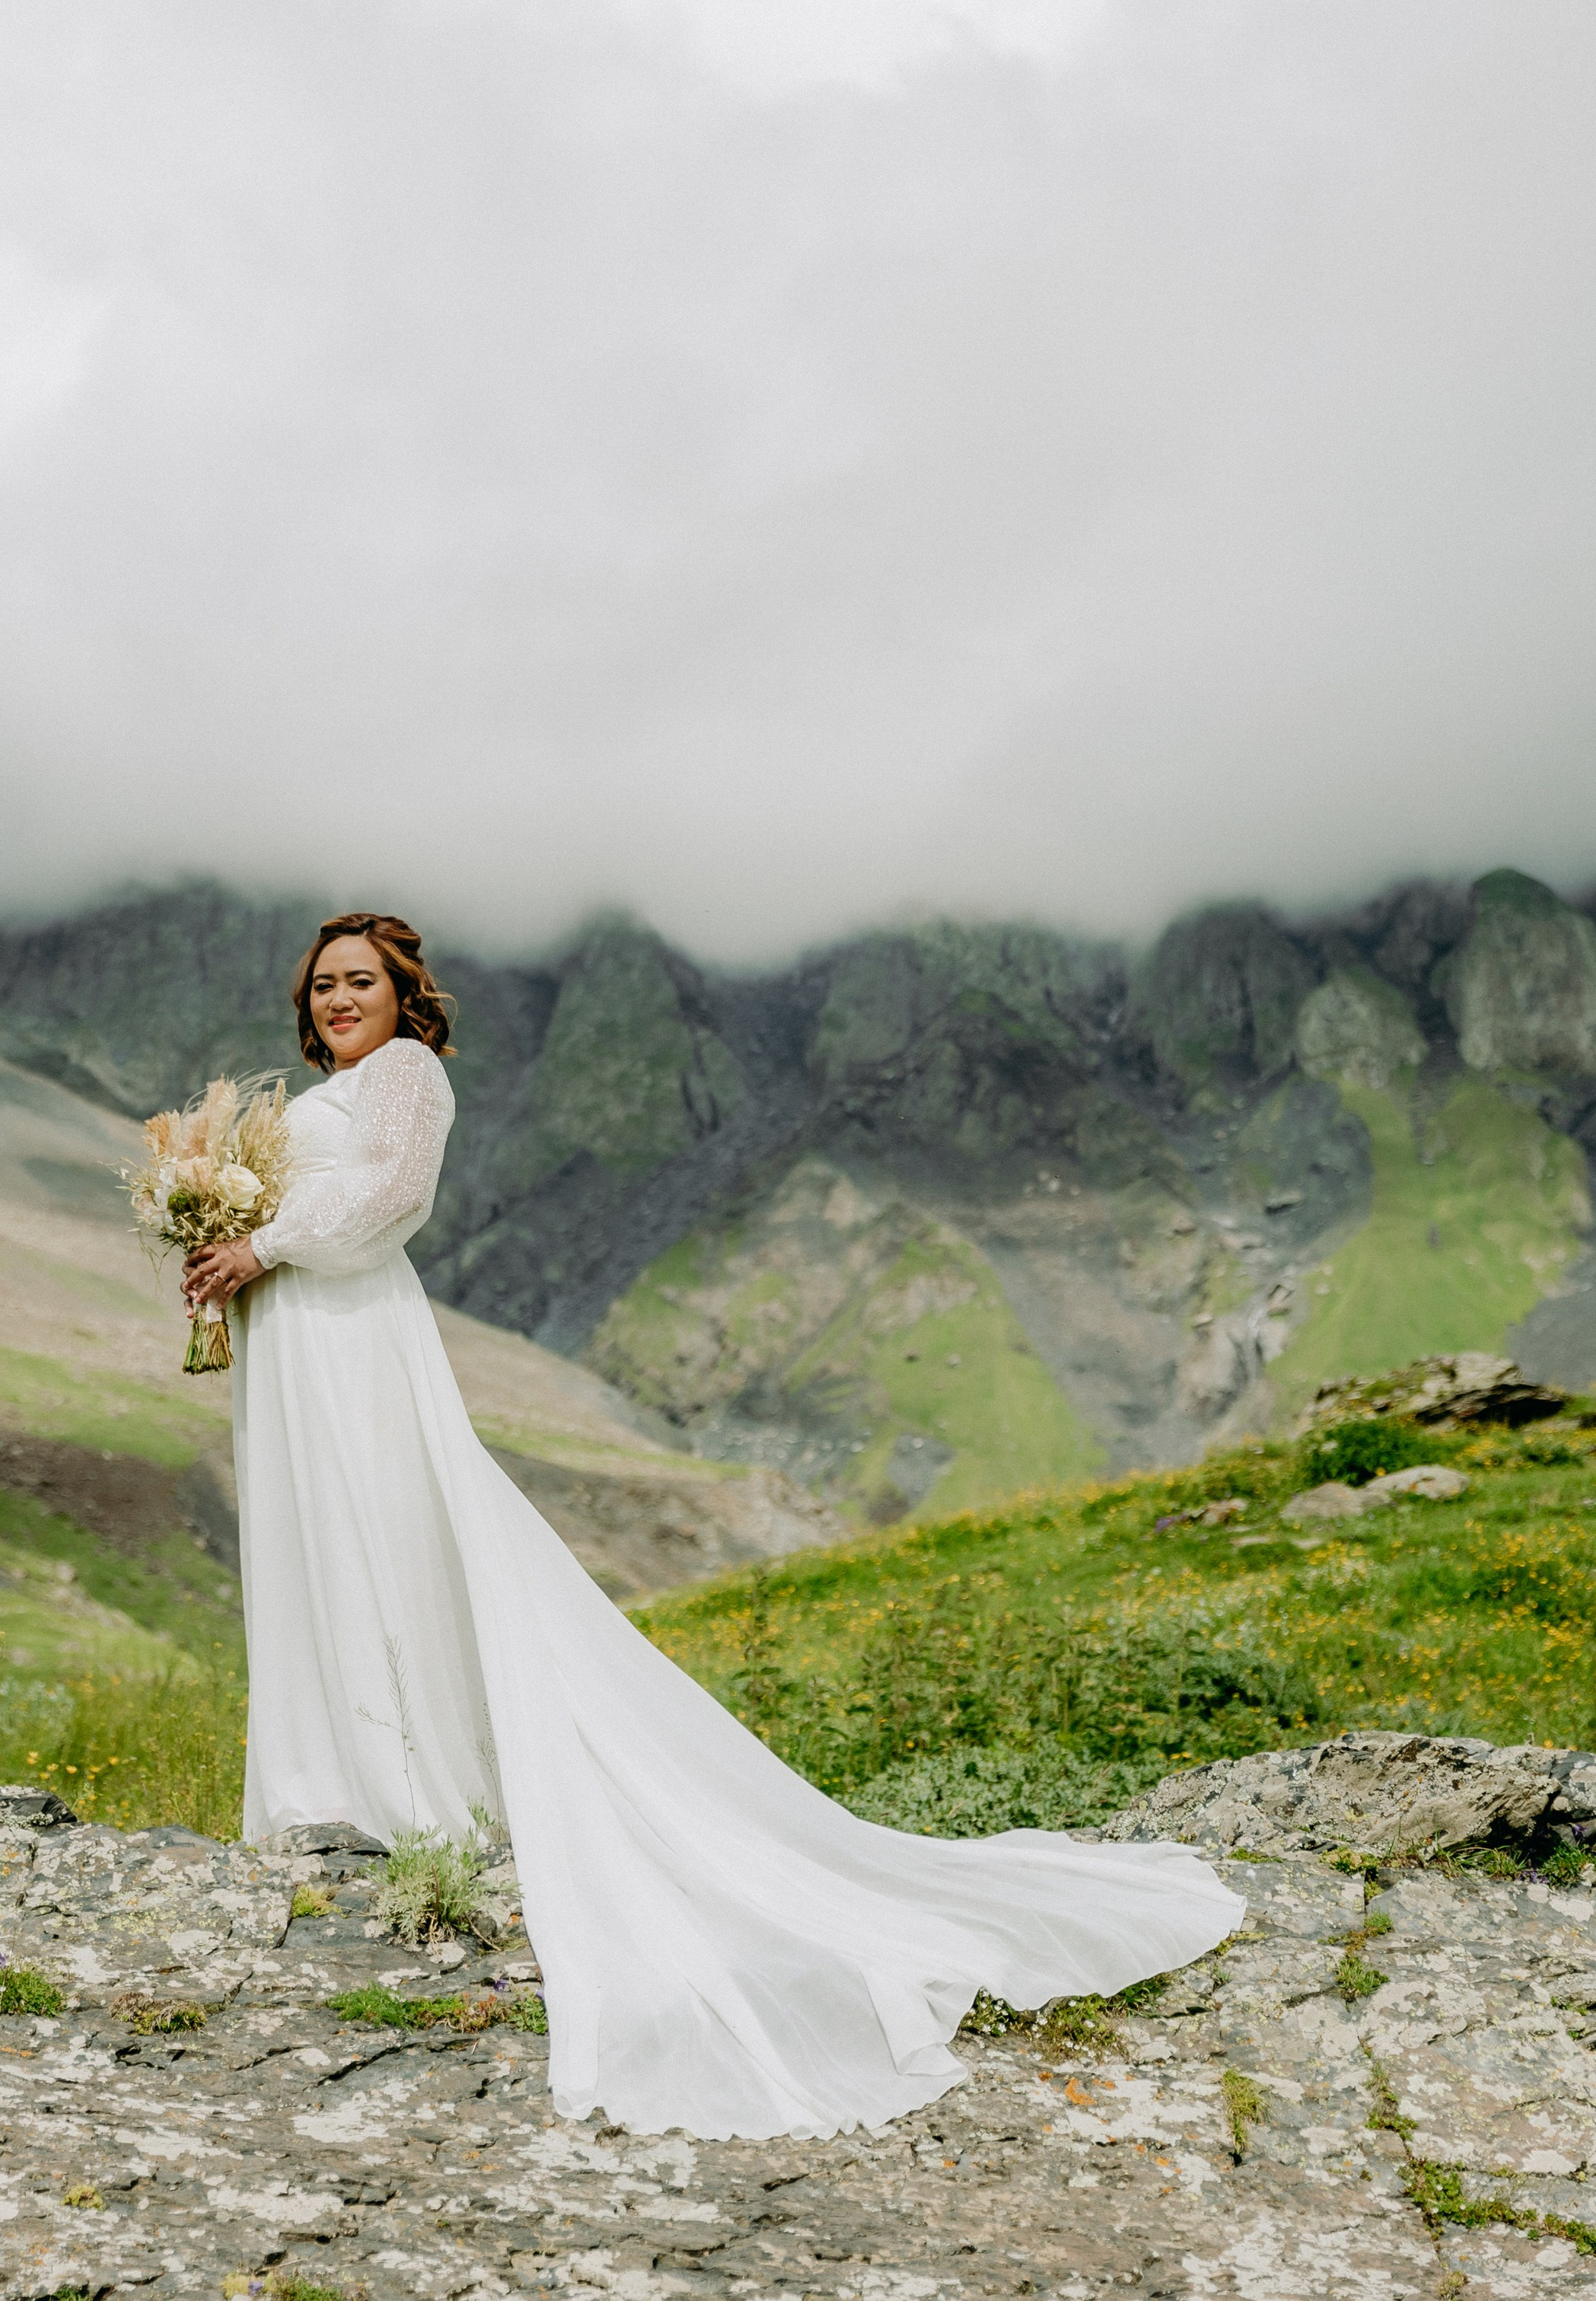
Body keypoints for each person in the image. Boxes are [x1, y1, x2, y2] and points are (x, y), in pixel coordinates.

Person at [182, 911, 1244, 2143]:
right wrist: (220, 1238)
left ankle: (408, 1791)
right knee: (318, 1552)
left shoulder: (407, 1077)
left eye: (360, 982)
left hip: (357, 1341)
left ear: (405, 996)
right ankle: (337, 1788)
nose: (337, 1000)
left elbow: (394, 1203)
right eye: (322, 987)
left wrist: (258, 1241)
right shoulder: (316, 1097)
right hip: (296, 1347)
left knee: (386, 1540)